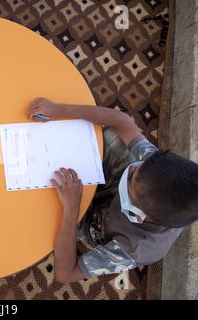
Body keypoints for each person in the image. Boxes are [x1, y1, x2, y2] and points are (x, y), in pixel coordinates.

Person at [28, 97, 198, 283]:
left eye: (131, 178)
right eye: (139, 165)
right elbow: (121, 120)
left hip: (97, 226)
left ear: (138, 215)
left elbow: (65, 274)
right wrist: (60, 109)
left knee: (40, 213)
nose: (132, 168)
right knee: (110, 137)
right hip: (114, 193)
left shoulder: (134, 248)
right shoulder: (156, 170)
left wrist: (71, 210)